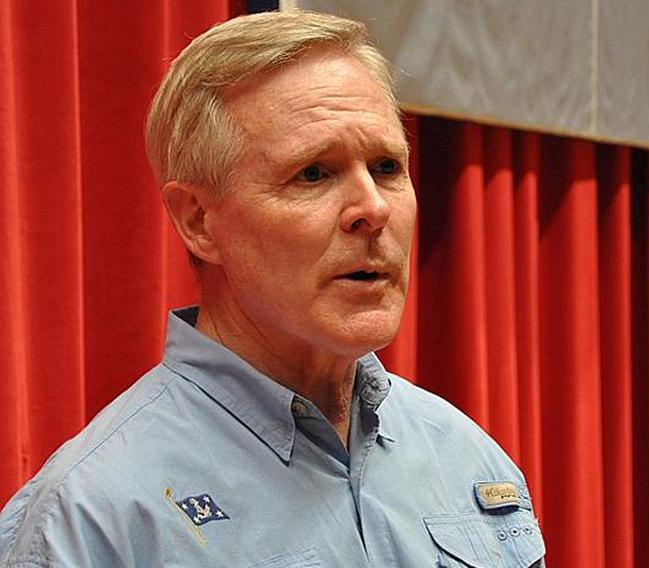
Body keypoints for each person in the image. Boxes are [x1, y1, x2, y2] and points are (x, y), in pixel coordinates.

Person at [0, 10, 544, 568]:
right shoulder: (91, 516)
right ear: (199, 221)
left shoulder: (471, 461)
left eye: (386, 167)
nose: (373, 209)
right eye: (313, 173)